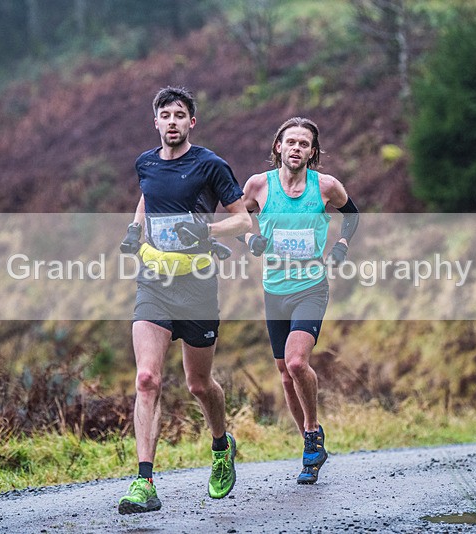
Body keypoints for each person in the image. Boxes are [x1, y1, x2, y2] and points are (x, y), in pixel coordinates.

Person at [117, 86, 252, 514]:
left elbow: (242, 218)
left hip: (197, 285)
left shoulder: (210, 165)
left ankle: (219, 446)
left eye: (180, 115)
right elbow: (148, 194)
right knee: (146, 379)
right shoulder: (145, 163)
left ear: (191, 122)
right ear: (154, 121)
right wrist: (135, 230)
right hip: (154, 282)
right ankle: (144, 482)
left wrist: (206, 234)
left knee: (198, 384)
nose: (172, 121)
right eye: (165, 114)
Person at [240, 117, 359, 484]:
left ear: (312, 151)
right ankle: (311, 446)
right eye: (290, 142)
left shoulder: (325, 187)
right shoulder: (259, 185)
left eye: (303, 144)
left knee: (295, 362)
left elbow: (351, 215)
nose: (296, 148)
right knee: (285, 376)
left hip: (310, 287)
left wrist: (340, 244)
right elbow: (238, 215)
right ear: (278, 146)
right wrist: (250, 240)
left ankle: (311, 434)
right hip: (274, 290)